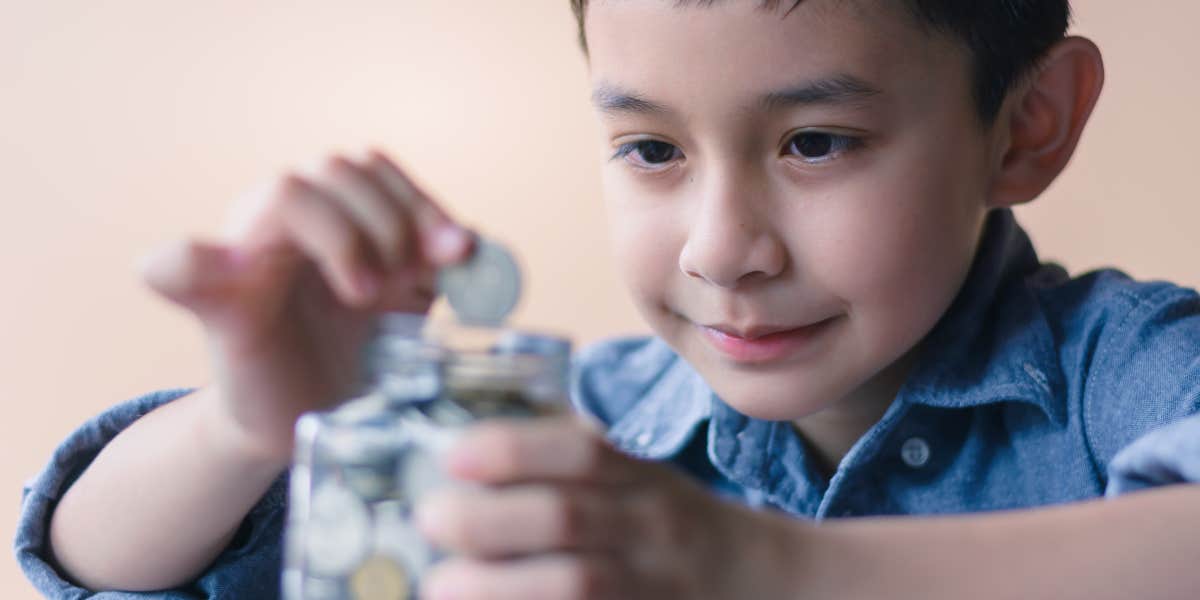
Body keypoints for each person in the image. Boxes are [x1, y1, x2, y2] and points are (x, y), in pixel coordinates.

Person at [17, 1, 1200, 598]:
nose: (720, 249)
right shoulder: (573, 428)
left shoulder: (1126, 373)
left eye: (817, 142)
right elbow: (98, 564)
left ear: (1027, 125)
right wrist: (249, 427)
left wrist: (754, 567)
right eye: (650, 150)